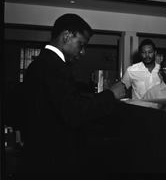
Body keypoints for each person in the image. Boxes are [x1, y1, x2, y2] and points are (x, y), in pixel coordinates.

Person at [20, 14, 126, 174]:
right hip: (55, 163)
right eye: (81, 44)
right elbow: (73, 112)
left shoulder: (38, 64)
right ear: (66, 36)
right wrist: (111, 94)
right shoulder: (55, 66)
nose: (83, 52)